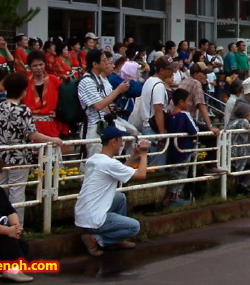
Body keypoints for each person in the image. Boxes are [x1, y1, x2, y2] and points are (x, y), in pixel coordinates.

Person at [0, 73, 63, 224]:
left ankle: (1, 224)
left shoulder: (0, 107)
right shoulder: (23, 110)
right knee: (17, 192)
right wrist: (53, 139)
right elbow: (32, 134)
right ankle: (17, 226)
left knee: (1, 190)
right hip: (19, 156)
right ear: (23, 91)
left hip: (0, 155)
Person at [75, 126, 151, 256]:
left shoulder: (95, 159)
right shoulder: (109, 164)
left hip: (83, 215)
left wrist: (133, 156)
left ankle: (117, 239)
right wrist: (144, 154)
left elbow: (120, 172)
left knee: (120, 198)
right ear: (113, 141)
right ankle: (98, 240)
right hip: (94, 220)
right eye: (121, 141)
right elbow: (141, 175)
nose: (122, 144)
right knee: (134, 227)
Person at [0, 153, 33, 283]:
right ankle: (12, 270)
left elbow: (10, 211)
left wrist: (16, 226)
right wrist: (9, 231)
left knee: (22, 245)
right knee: (5, 237)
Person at [78, 49, 130, 157]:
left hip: (103, 125)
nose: (107, 63)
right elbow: (98, 105)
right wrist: (118, 91)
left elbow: (104, 103)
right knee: (95, 162)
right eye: (104, 60)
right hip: (93, 128)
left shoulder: (98, 79)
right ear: (95, 64)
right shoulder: (87, 81)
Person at [138, 55, 177, 166]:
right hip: (153, 128)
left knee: (151, 163)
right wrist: (162, 134)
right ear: (162, 70)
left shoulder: (149, 81)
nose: (173, 72)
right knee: (157, 166)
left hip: (147, 126)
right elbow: (158, 110)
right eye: (170, 69)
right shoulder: (159, 85)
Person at [162, 89, 198, 207]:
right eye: (187, 101)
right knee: (181, 175)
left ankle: (168, 198)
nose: (189, 104)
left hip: (173, 151)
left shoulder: (170, 116)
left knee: (173, 174)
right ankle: (175, 197)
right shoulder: (184, 115)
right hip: (184, 150)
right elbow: (193, 131)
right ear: (181, 102)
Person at [22, 51, 68, 139]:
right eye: (35, 66)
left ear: (45, 64)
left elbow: (64, 99)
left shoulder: (54, 80)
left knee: (52, 151)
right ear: (29, 67)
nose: (38, 68)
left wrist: (58, 112)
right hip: (31, 126)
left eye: (41, 64)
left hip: (51, 124)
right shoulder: (25, 82)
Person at [227, 101, 250, 194]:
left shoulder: (233, 122)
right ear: (246, 113)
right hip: (237, 152)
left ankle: (242, 185)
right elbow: (246, 125)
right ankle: (244, 185)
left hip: (236, 151)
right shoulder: (242, 121)